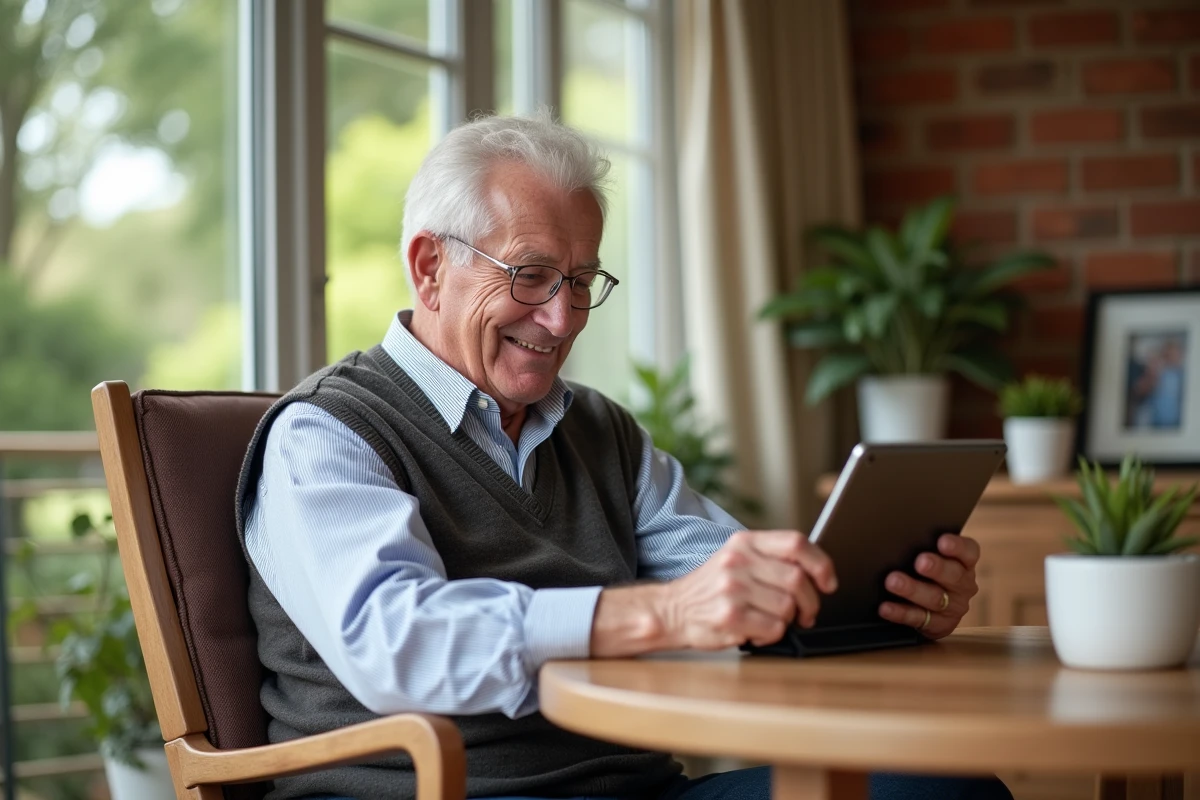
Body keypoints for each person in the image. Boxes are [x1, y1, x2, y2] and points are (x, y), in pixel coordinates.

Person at [236, 112, 1010, 800]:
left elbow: (726, 578)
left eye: (580, 281)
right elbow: (397, 644)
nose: (562, 317)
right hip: (435, 789)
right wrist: (667, 612)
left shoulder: (599, 430)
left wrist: (873, 598)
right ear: (430, 267)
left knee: (949, 792)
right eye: (530, 275)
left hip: (634, 786)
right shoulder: (328, 432)